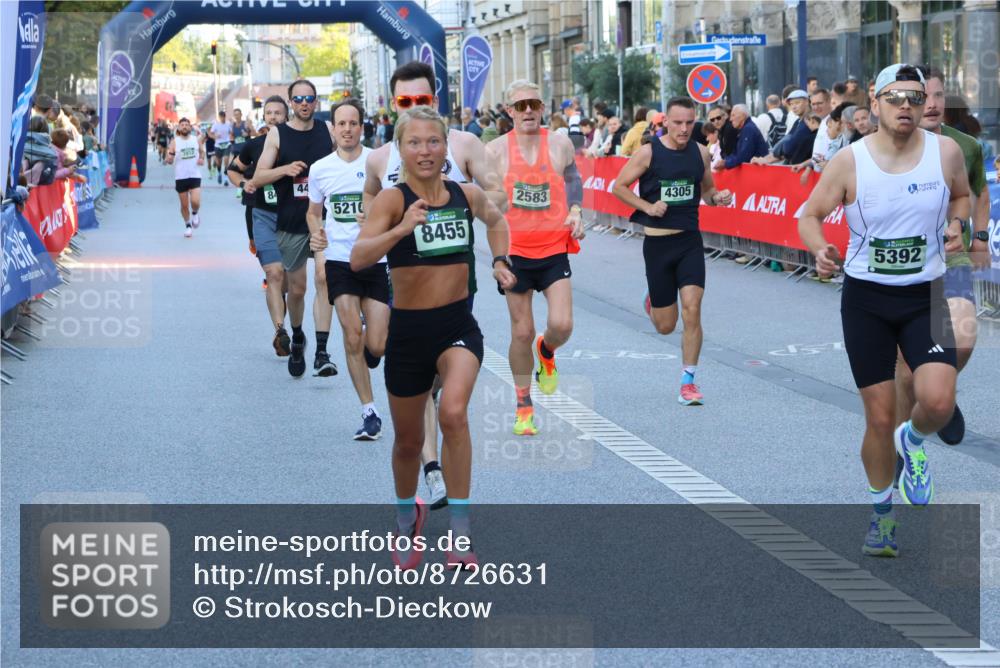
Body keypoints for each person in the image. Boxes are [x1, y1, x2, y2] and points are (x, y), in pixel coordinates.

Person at [797, 64, 970, 557]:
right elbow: (809, 214)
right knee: (877, 415)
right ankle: (882, 514)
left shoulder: (946, 152)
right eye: (895, 98)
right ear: (875, 103)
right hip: (867, 299)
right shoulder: (850, 162)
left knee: (937, 401)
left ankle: (912, 442)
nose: (906, 107)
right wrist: (818, 249)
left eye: (915, 99)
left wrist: (959, 225)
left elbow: (961, 194)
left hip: (926, 294)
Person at [351, 106, 516, 570]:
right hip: (408, 333)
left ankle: (460, 534)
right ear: (399, 150)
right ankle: (408, 518)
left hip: (457, 327)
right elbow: (360, 257)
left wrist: (502, 262)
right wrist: (402, 228)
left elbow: (497, 219)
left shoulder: (465, 195)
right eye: (414, 142)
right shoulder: (391, 200)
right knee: (406, 442)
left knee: (454, 413)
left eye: (433, 142)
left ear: (446, 148)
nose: (424, 151)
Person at [611, 96, 734, 405]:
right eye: (678, 123)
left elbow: (707, 191)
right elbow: (619, 186)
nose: (683, 129)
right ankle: (653, 299)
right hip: (657, 244)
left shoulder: (701, 153)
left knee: (693, 309)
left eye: (689, 123)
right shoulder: (648, 153)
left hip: (689, 241)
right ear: (665, 121)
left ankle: (688, 381)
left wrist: (718, 197)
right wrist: (648, 207)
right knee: (665, 326)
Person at [893, 64, 992, 447]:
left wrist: (979, 239)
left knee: (963, 339)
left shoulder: (963, 146)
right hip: (905, 262)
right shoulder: (889, 145)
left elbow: (979, 193)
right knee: (904, 371)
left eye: (937, 95)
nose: (931, 104)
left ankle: (941, 395)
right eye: (923, 96)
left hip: (952, 257)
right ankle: (905, 443)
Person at [485, 80, 586, 436]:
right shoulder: (495, 151)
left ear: (542, 108)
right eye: (521, 105)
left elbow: (573, 178)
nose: (528, 110)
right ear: (509, 111)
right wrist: (496, 253)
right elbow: (488, 203)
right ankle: (524, 403)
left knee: (562, 325)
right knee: (521, 331)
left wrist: (575, 210)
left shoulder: (558, 143)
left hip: (554, 245)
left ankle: (547, 350)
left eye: (534, 104)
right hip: (515, 252)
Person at [307, 98, 389, 441]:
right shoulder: (320, 169)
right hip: (340, 260)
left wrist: (376, 216)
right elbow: (314, 211)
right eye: (341, 123)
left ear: (361, 126)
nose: (347, 129)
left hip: (376, 258)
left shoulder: (377, 162)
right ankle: (368, 411)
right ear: (333, 128)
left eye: (353, 123)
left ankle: (372, 350)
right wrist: (316, 233)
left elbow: (396, 204)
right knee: (352, 334)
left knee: (378, 345)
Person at [251, 79, 337, 378]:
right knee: (297, 290)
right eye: (298, 98)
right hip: (291, 221)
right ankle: (298, 336)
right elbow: (258, 177)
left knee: (325, 278)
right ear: (291, 103)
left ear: (316, 102)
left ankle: (323, 350)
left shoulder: (328, 130)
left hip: (325, 218)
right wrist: (284, 170)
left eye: (309, 98)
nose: (304, 103)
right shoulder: (277, 134)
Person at [227, 95, 290, 356]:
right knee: (273, 274)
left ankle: (289, 322)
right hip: (261, 214)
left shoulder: (295, 144)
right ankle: (280, 331)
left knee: (287, 282)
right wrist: (245, 183)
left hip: (292, 218)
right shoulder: (253, 146)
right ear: (264, 117)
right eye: (269, 113)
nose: (273, 117)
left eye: (278, 113)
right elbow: (233, 170)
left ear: (287, 116)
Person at [165, 117, 205, 238]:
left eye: (186, 125)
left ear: (190, 127)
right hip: (181, 177)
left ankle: (195, 213)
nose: (184, 126)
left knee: (195, 201)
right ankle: (188, 225)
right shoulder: (175, 142)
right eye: (182, 125)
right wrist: (169, 159)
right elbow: (169, 158)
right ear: (178, 127)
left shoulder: (195, 139)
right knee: (184, 205)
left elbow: (202, 151)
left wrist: (201, 158)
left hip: (195, 175)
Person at [712, 104, 768, 170]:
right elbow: (737, 152)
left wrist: (726, 163)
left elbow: (743, 156)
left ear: (743, 116)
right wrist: (726, 161)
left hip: (758, 172)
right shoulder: (744, 129)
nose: (730, 119)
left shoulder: (748, 129)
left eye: (733, 115)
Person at [209, 111, 233, 184]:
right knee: (218, 163)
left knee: (226, 160)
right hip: (218, 145)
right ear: (219, 117)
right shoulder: (215, 125)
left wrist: (231, 137)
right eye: (220, 117)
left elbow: (231, 133)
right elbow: (210, 134)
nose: (222, 119)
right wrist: (215, 136)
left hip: (227, 144)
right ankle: (219, 173)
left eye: (223, 117)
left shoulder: (228, 124)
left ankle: (226, 179)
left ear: (225, 117)